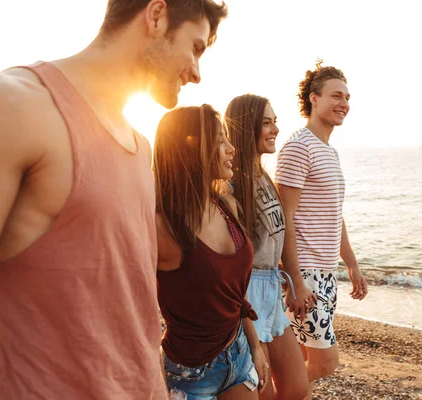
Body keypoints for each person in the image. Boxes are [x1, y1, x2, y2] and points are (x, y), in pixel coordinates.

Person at [0, 1, 227, 399]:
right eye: (195, 48)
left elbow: (130, 301)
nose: (197, 73)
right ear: (156, 14)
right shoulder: (10, 105)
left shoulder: (140, 146)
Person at [155, 104, 269, 400]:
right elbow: (132, 308)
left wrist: (255, 347)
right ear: (190, 150)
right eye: (220, 141)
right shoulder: (161, 227)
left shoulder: (225, 204)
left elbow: (234, 294)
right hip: (189, 372)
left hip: (239, 352)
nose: (232, 149)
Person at [274, 62, 369, 399]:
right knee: (325, 362)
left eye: (347, 97)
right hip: (306, 275)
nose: (343, 103)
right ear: (314, 99)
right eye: (335, 95)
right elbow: (282, 217)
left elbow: (334, 214)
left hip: (325, 272)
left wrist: (352, 264)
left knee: (300, 357)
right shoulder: (300, 147)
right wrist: (295, 281)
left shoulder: (328, 151)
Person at [225, 94, 311, 400]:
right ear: (247, 127)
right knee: (263, 390)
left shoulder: (263, 176)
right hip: (248, 293)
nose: (274, 129)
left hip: (272, 288)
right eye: (266, 123)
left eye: (275, 121)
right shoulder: (231, 184)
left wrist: (294, 284)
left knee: (297, 387)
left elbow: (283, 235)